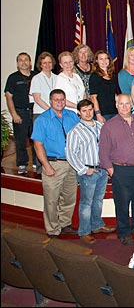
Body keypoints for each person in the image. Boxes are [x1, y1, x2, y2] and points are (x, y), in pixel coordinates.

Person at [99, 94, 134, 246]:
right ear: (116, 105)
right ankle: (124, 232)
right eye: (121, 104)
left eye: (127, 103)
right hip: (121, 170)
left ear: (131, 105)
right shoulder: (109, 126)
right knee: (122, 203)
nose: (124, 106)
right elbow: (103, 151)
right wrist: (111, 171)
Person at [65, 99, 115, 244]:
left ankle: (97, 225)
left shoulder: (101, 126)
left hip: (102, 169)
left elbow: (108, 147)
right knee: (86, 203)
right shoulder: (75, 131)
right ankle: (84, 231)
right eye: (84, 110)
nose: (88, 113)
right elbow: (71, 153)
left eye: (90, 110)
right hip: (88, 171)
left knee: (98, 200)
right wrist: (83, 169)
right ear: (79, 113)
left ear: (93, 110)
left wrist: (107, 165)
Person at [31, 89, 79, 238]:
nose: (59, 102)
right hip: (54, 164)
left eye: (62, 99)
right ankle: (52, 229)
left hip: (71, 163)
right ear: (50, 101)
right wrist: (46, 166)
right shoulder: (42, 120)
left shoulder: (72, 116)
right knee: (51, 200)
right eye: (56, 99)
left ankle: (65, 224)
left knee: (69, 197)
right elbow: (37, 145)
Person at [4, 52, 35, 174]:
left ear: (30, 62)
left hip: (34, 112)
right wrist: (14, 114)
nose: (23, 62)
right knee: (21, 140)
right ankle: (22, 163)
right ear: (17, 63)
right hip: (20, 112)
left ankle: (37, 163)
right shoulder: (13, 78)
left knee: (36, 139)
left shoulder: (36, 76)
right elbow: (8, 97)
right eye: (21, 60)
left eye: (26, 60)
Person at [29, 52, 57, 173]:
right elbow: (37, 98)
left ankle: (51, 165)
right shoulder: (37, 78)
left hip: (54, 113)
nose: (47, 65)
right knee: (40, 141)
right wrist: (51, 110)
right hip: (41, 113)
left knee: (51, 141)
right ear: (40, 64)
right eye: (44, 62)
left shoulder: (57, 78)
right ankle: (40, 168)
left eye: (49, 62)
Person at [89, 50, 118, 123]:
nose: (104, 61)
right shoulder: (94, 76)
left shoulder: (112, 75)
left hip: (114, 112)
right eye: (101, 59)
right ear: (96, 61)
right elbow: (93, 97)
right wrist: (98, 114)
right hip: (103, 113)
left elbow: (114, 94)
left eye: (106, 58)